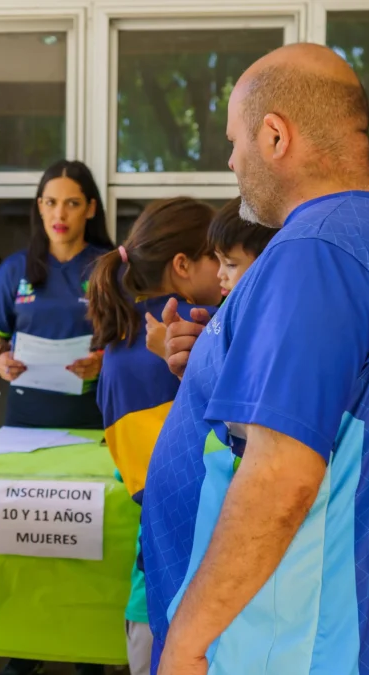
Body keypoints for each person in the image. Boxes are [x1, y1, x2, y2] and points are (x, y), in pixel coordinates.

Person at [142, 43, 369, 675]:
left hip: (289, 644)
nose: (230, 162)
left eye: (234, 142)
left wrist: (188, 639)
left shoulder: (315, 251)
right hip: (366, 623)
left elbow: (280, 478)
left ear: (275, 136)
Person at [87, 197, 223, 675]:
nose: (230, 273)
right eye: (221, 258)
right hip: (191, 572)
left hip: (163, 570)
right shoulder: (193, 333)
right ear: (183, 265)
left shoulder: (122, 345)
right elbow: (166, 483)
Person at [0, 159, 114, 432]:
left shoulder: (110, 269)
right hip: (24, 417)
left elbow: (131, 338)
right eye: (51, 203)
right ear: (40, 206)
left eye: (72, 203)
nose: (60, 214)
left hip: (94, 414)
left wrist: (102, 360)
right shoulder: (15, 268)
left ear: (90, 209)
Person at [143, 197, 276, 360]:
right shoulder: (227, 315)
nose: (220, 273)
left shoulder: (265, 323)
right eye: (216, 260)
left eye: (231, 264)